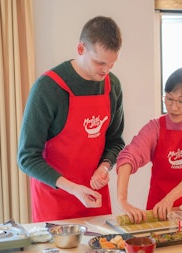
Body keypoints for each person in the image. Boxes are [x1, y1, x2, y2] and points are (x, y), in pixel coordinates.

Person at [18, 16, 125, 222]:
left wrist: (105, 166)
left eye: (112, 64)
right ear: (80, 49)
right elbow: (26, 157)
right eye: (100, 62)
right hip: (55, 199)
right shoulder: (48, 88)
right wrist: (73, 188)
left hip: (95, 197)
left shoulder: (113, 86)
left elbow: (115, 141)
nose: (106, 70)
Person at [116, 68, 182, 223]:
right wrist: (122, 199)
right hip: (159, 211)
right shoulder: (156, 126)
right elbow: (129, 157)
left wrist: (169, 198)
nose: (173, 107)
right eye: (169, 99)